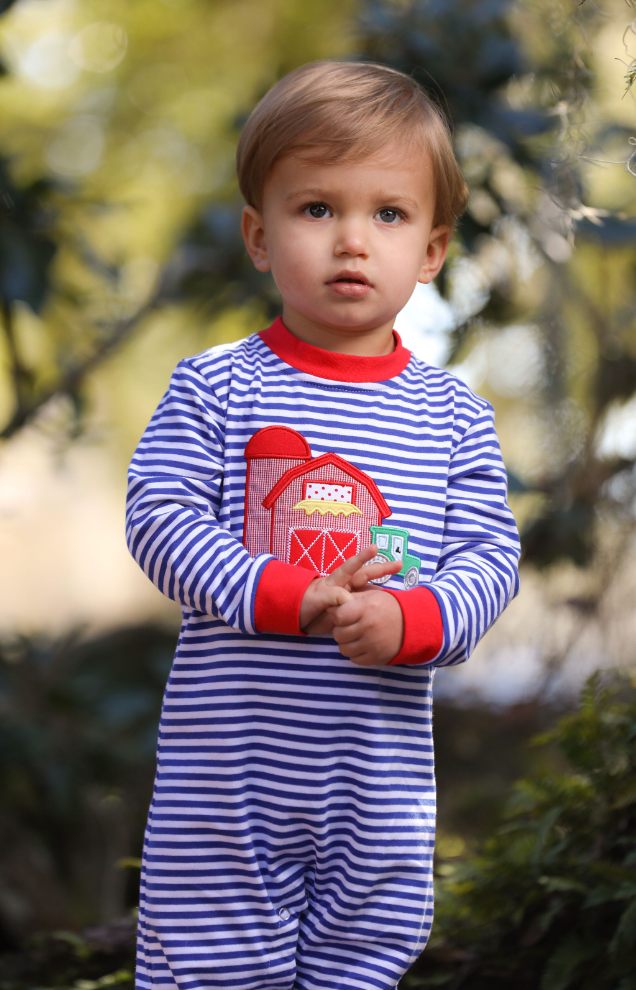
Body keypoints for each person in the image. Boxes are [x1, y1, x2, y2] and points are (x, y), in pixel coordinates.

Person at [125, 60, 521, 990]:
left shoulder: (453, 415)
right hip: (228, 789)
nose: (352, 240)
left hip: (374, 790)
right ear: (260, 237)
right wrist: (289, 594)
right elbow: (160, 517)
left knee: (362, 967)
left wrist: (414, 622)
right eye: (316, 210)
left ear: (432, 252)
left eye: (388, 214)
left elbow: (489, 559)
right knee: (213, 973)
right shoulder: (216, 386)